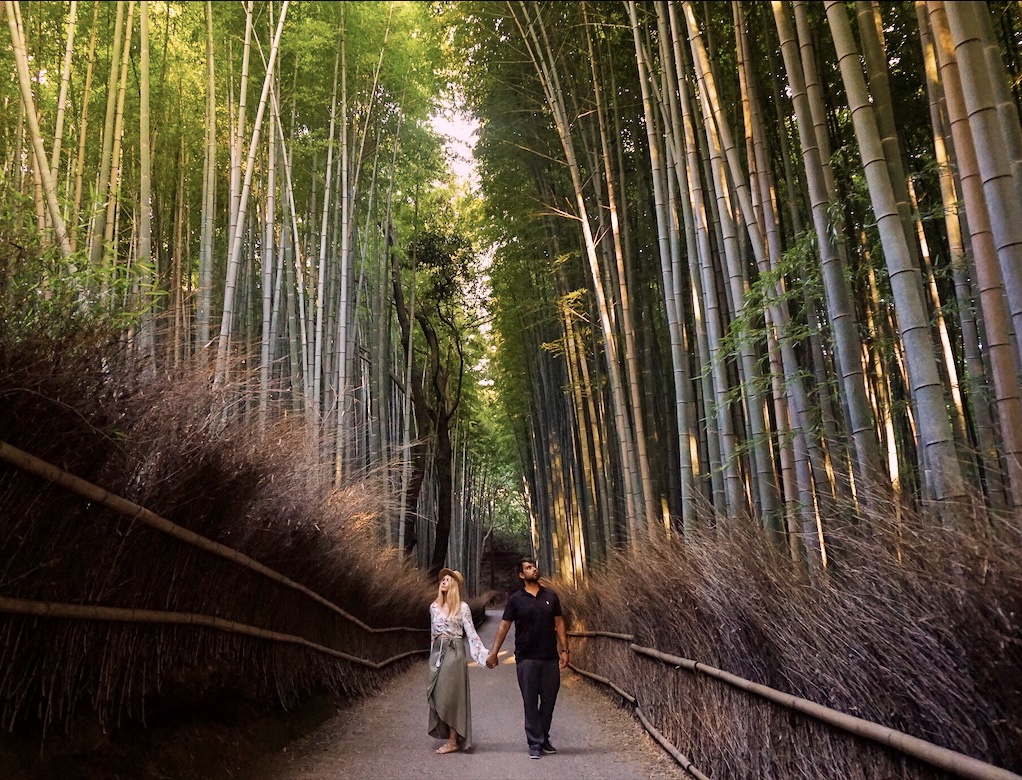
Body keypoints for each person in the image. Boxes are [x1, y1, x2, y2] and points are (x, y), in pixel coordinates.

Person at [486, 557, 569, 759]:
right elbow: (504, 626)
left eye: (534, 566)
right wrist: (494, 652)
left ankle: (543, 737)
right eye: (529, 568)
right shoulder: (516, 599)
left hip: (549, 657)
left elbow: (559, 624)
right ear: (522, 575)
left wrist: (565, 650)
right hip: (526, 658)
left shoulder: (551, 595)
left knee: (549, 701)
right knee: (530, 701)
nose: (534, 569)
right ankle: (535, 743)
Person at [427, 568, 490, 754]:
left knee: (453, 695)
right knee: (437, 692)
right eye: (442, 579)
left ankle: (453, 740)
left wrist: (484, 657)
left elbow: (471, 633)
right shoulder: (433, 607)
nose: (443, 582)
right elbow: (432, 634)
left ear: (454, 585)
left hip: (455, 652)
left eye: (448, 579)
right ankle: (449, 735)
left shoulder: (462, 607)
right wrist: (432, 659)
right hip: (438, 651)